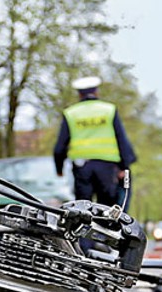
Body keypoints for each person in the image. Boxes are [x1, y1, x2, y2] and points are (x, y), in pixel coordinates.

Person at [53, 76, 137, 208]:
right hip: (107, 166)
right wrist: (124, 166)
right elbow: (121, 139)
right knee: (106, 209)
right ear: (96, 92)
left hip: (82, 167)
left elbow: (60, 147)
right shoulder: (109, 110)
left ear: (79, 94)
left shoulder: (71, 113)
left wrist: (59, 169)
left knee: (82, 208)